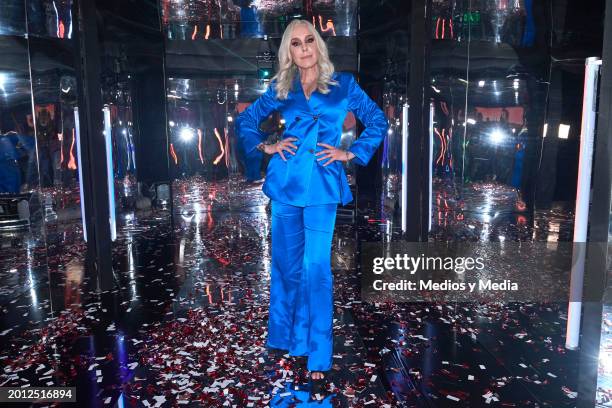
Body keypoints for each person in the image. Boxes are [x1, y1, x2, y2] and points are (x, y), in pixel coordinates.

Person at [236, 19, 388, 380]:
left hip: (322, 185)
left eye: (308, 41)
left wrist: (350, 152)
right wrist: (267, 146)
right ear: (288, 51)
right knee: (287, 266)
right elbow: (246, 122)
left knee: (316, 267)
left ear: (317, 44)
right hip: (286, 184)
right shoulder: (281, 87)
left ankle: (317, 350)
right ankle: (286, 337)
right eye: (295, 43)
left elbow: (377, 120)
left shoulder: (344, 84)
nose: (303, 48)